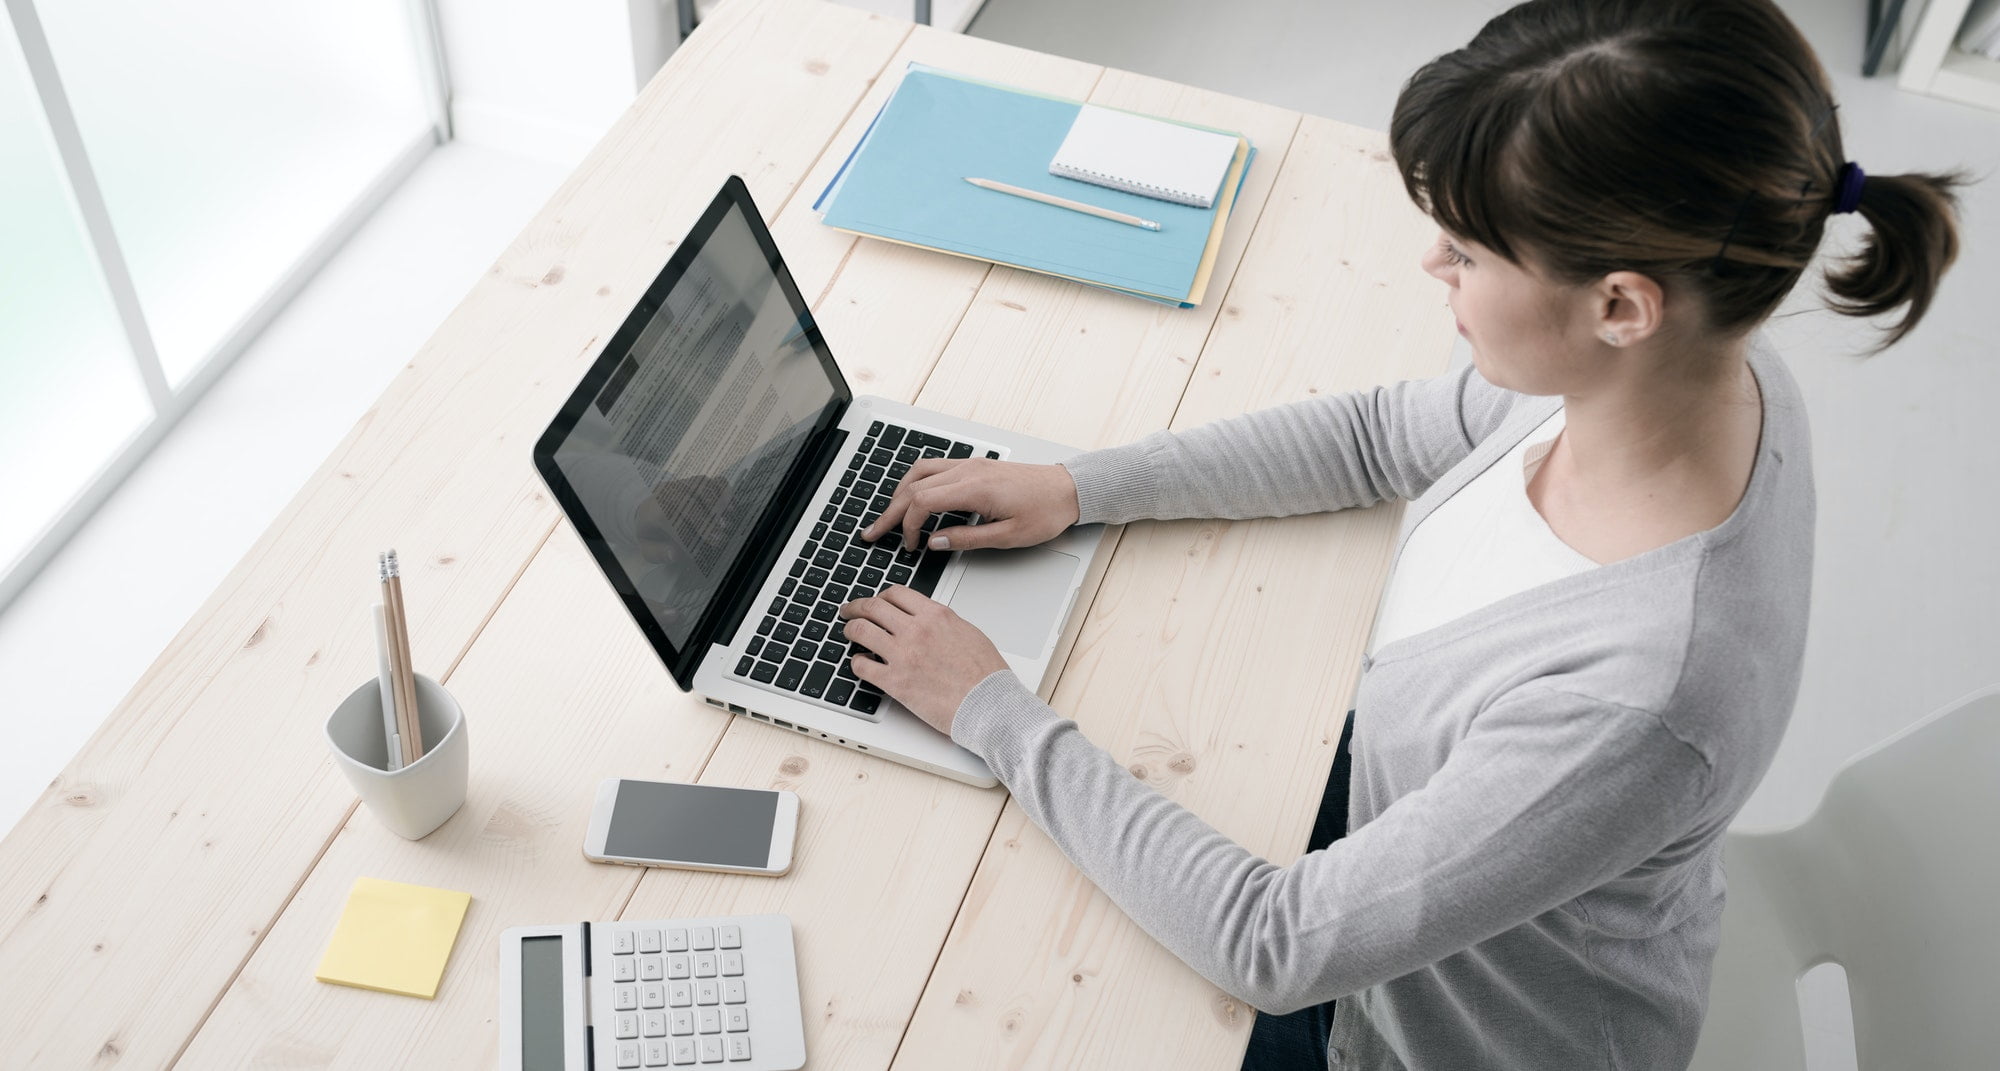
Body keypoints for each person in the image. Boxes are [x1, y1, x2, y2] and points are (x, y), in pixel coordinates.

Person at [836, 0, 1963, 1066]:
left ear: (1619, 305)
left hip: (1409, 1039)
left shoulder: (1637, 699)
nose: (1433, 266)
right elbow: (1379, 436)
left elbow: (1270, 945)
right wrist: (1081, 486)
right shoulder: (1691, 374)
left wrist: (989, 710)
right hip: (1413, 826)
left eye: (1470, 252)